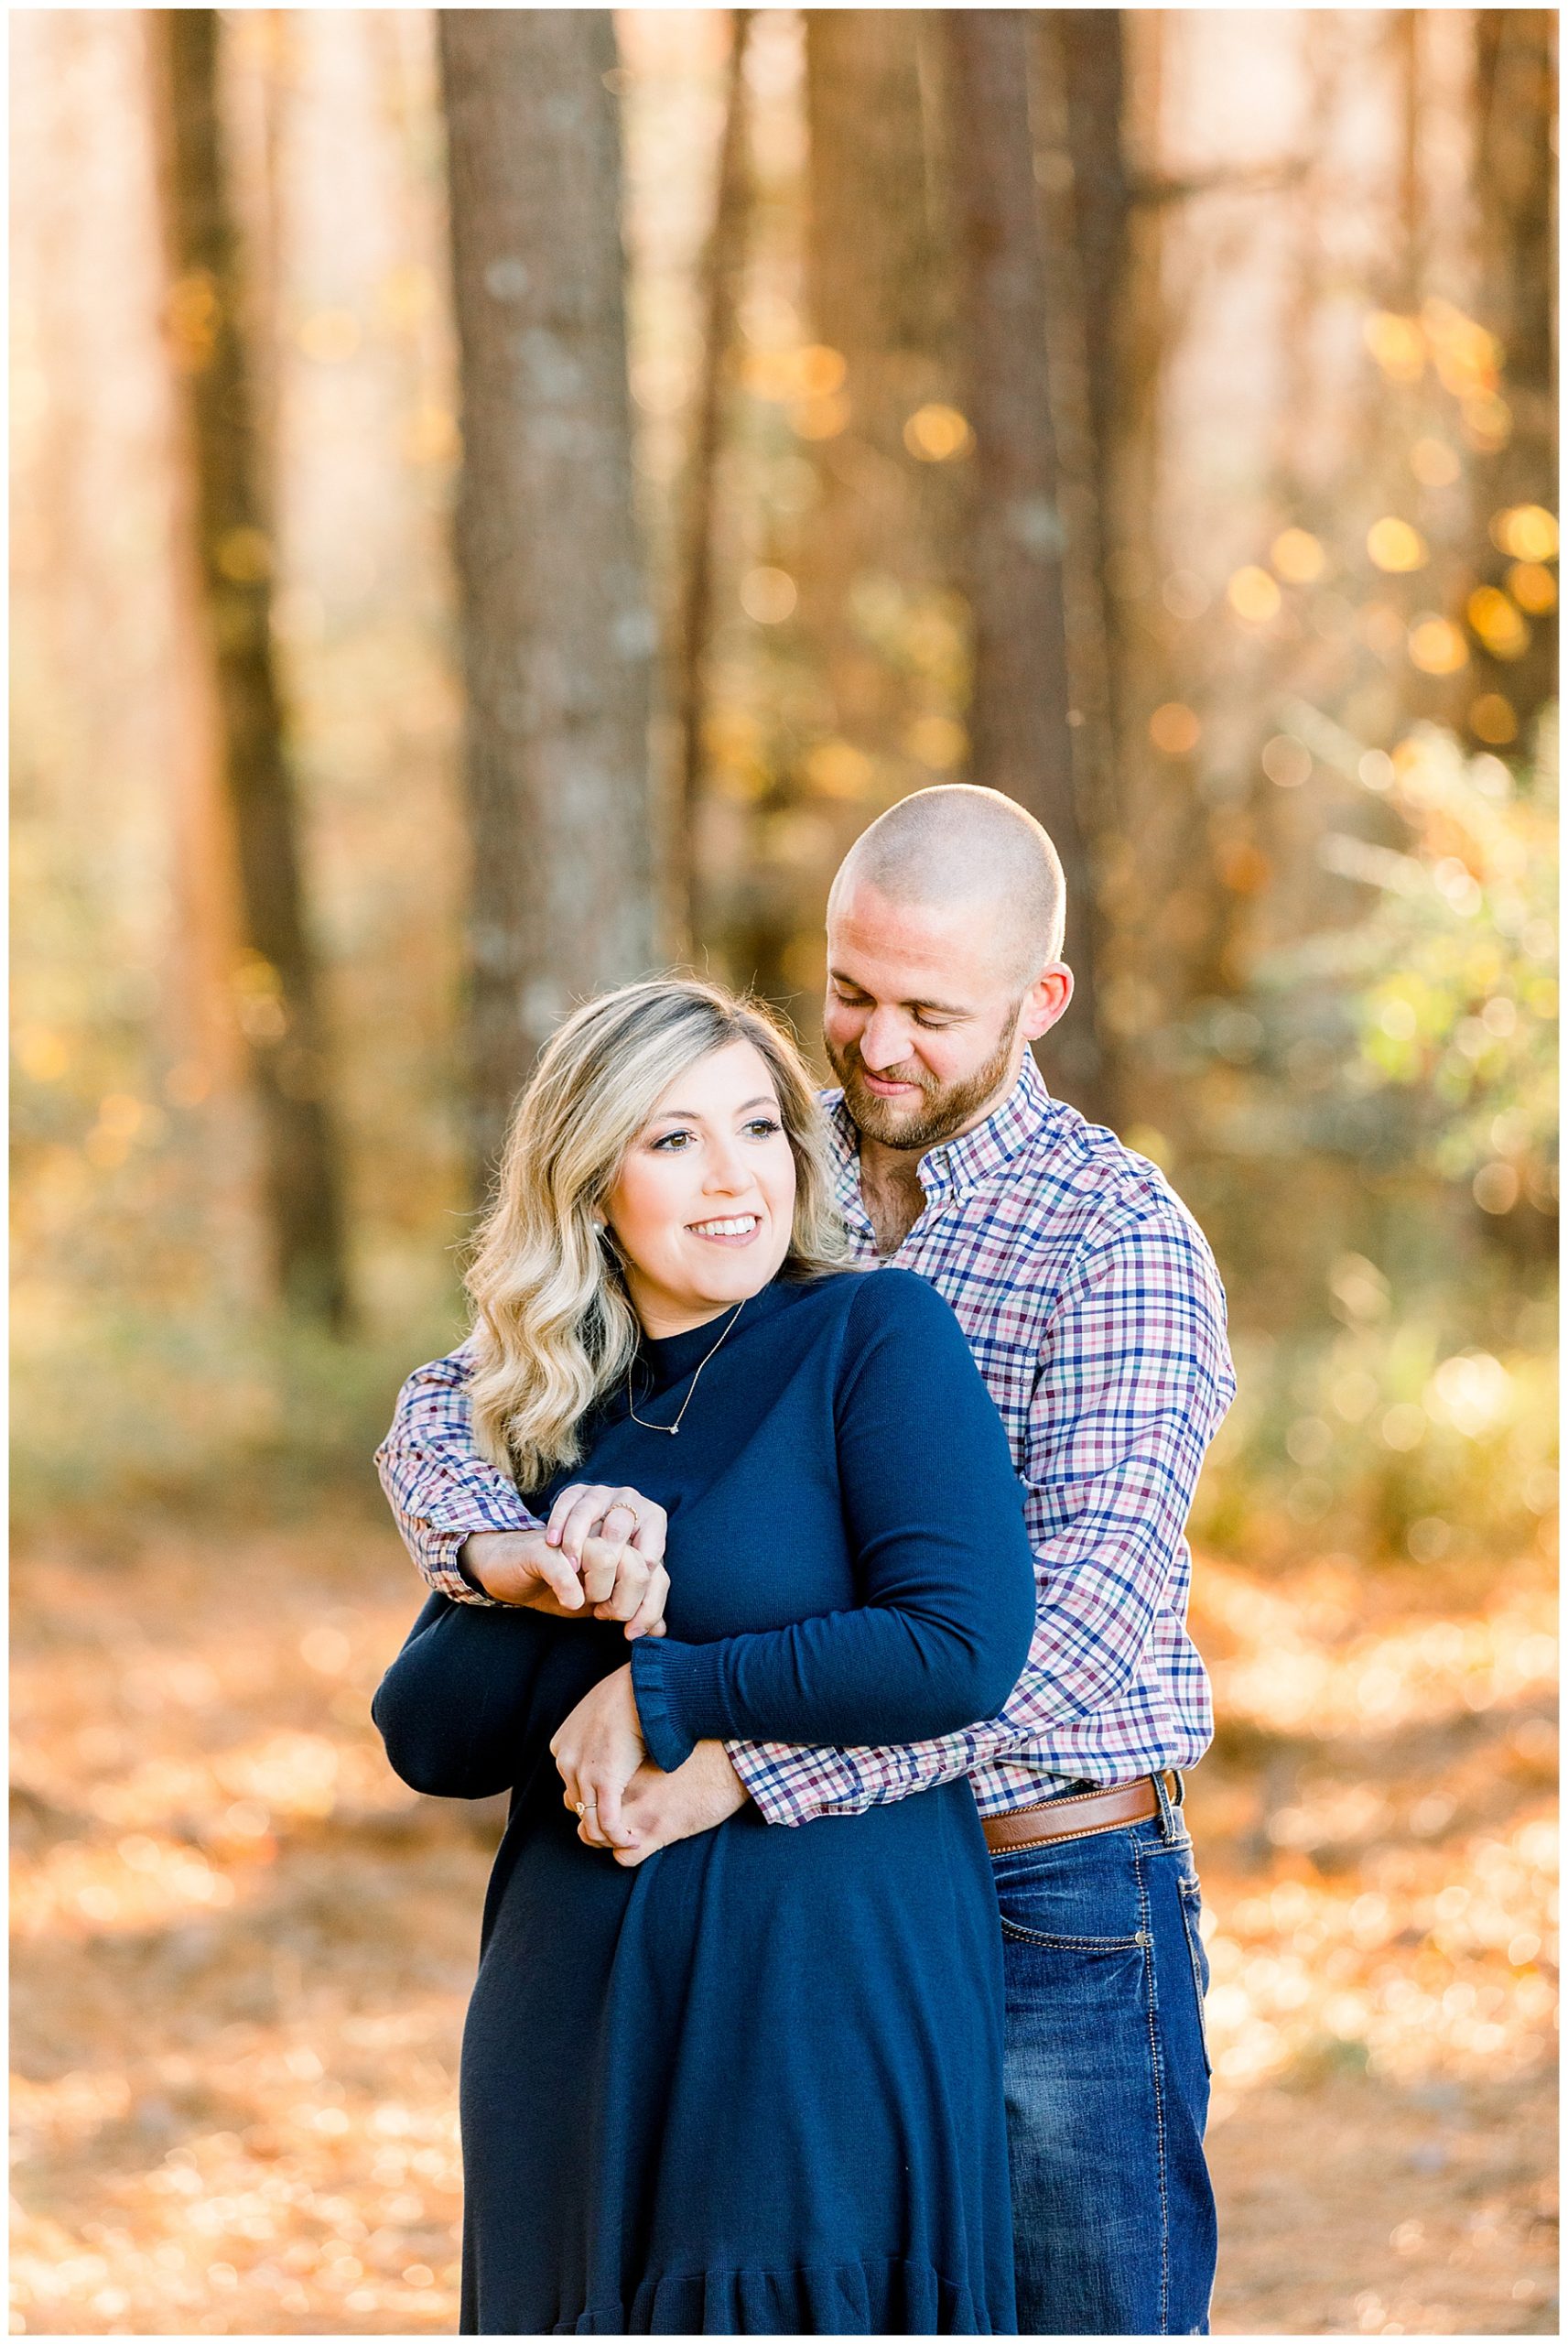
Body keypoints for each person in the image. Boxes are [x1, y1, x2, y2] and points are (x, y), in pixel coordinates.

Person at [379, 784, 1238, 2337]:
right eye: (850, 993)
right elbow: (465, 1397)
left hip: (1050, 1888)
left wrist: (745, 1758)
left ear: (1037, 1003)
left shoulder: (1114, 1238)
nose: (877, 1046)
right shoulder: (754, 1157)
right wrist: (511, 1553)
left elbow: (1078, 1622)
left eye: (928, 1011)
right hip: (802, 1921)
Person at [372, 976, 1038, 2337]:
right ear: (588, 1179)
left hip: (820, 2002)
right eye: (672, 1140)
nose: (732, 1178)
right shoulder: (546, 1404)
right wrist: (557, 1579)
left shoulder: (869, 1336)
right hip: (572, 2026)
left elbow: (958, 1647)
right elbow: (429, 1740)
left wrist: (666, 1681)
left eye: (757, 1129)